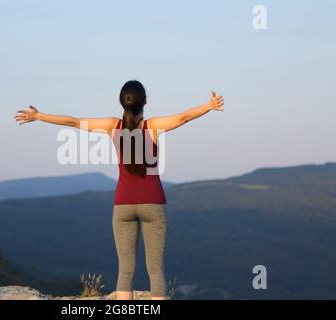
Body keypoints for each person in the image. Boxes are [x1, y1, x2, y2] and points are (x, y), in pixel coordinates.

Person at [14, 80, 224, 300]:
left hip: (123, 205)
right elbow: (184, 117)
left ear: (122, 103)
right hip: (153, 203)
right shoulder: (151, 127)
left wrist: (40, 116)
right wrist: (208, 105)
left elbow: (74, 122)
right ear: (145, 102)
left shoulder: (112, 126)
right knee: (156, 271)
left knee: (125, 270)